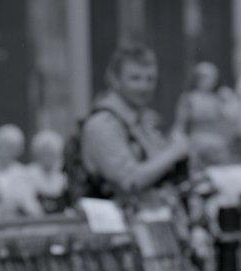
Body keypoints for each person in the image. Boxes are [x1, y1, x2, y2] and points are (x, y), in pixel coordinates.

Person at [79, 44, 189, 207]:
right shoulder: (103, 124)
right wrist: (174, 152)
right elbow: (130, 180)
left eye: (150, 79)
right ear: (114, 79)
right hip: (113, 225)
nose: (144, 87)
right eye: (135, 78)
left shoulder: (144, 120)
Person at [173, 61, 241, 167]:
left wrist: (228, 101)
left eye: (213, 76)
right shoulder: (189, 98)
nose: (209, 80)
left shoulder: (220, 97)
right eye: (204, 76)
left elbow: (232, 121)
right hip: (196, 142)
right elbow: (179, 124)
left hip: (218, 144)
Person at [27, 130, 69, 214]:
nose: (48, 157)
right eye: (45, 153)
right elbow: (28, 205)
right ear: (37, 154)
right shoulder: (27, 174)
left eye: (52, 153)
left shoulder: (62, 176)